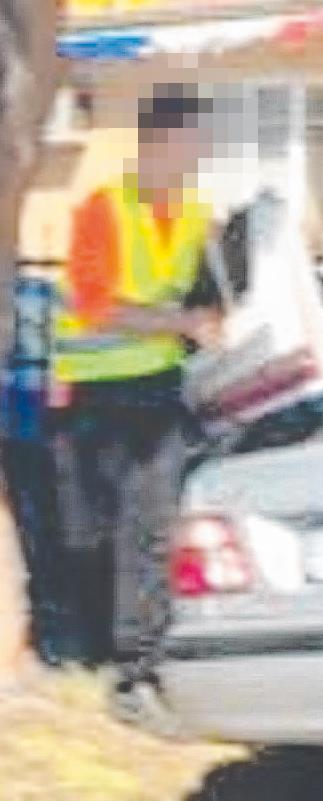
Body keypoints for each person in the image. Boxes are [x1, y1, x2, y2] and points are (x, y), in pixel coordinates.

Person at [49, 84, 224, 690]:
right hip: (95, 394)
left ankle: (140, 657)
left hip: (158, 390)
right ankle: (93, 645)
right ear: (159, 143)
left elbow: (214, 300)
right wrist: (183, 323)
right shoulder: (105, 208)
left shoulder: (199, 218)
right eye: (192, 145)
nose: (198, 159)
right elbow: (96, 306)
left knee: (147, 525)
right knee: (91, 532)